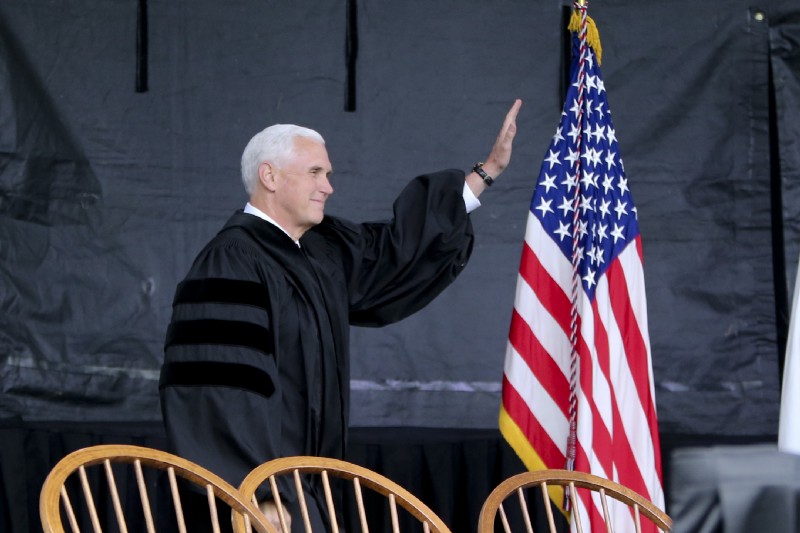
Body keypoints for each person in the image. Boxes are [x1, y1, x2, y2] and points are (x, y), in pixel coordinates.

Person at [159, 99, 522, 531]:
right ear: (269, 176)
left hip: (310, 484)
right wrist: (256, 493)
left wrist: (485, 174)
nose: (328, 186)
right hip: (263, 496)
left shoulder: (317, 248)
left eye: (327, 174)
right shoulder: (232, 261)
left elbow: (393, 254)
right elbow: (217, 393)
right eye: (315, 172)